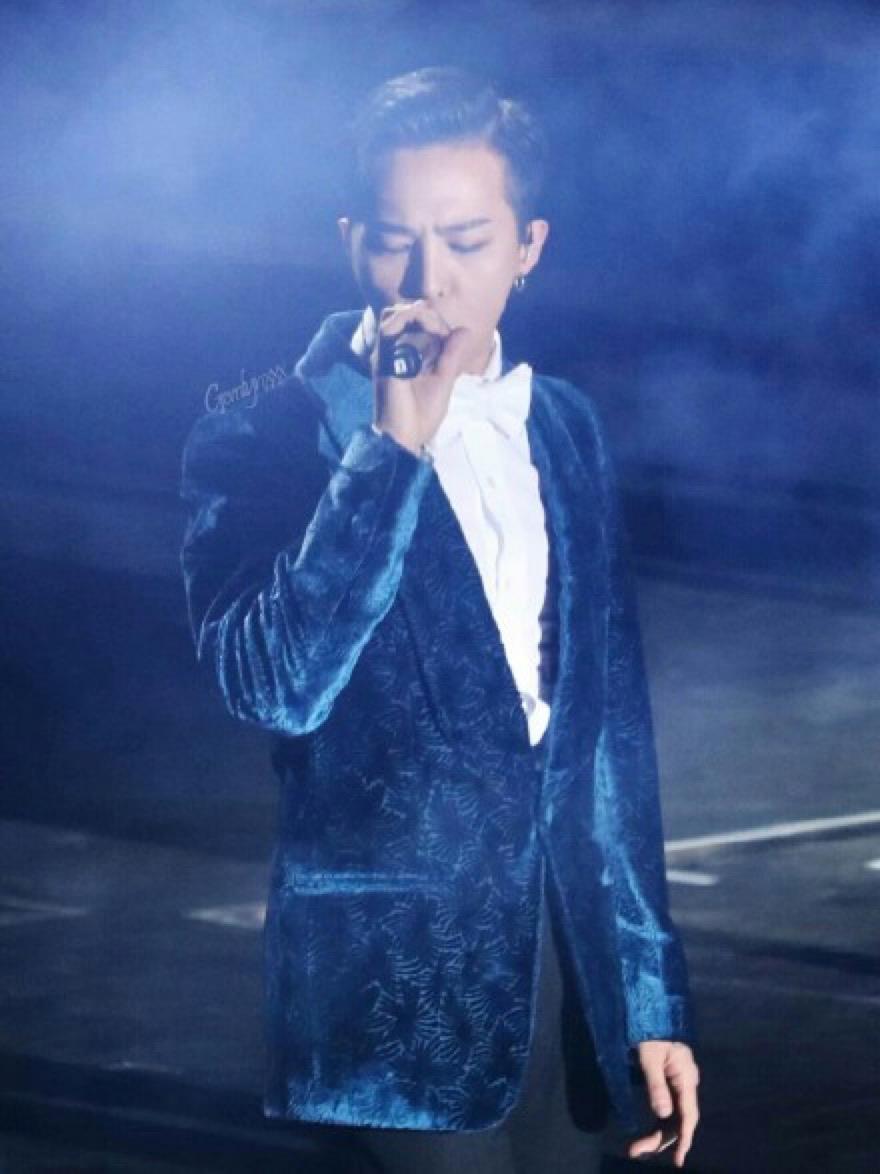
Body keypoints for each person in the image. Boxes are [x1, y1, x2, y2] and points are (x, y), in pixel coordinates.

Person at [179, 66, 700, 1173]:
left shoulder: (563, 425)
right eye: (393, 242)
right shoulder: (263, 431)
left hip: (564, 969)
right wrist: (392, 448)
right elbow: (276, 686)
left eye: (466, 241)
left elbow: (610, 733)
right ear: (350, 242)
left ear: (528, 247)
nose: (426, 281)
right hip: (386, 985)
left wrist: (651, 996)